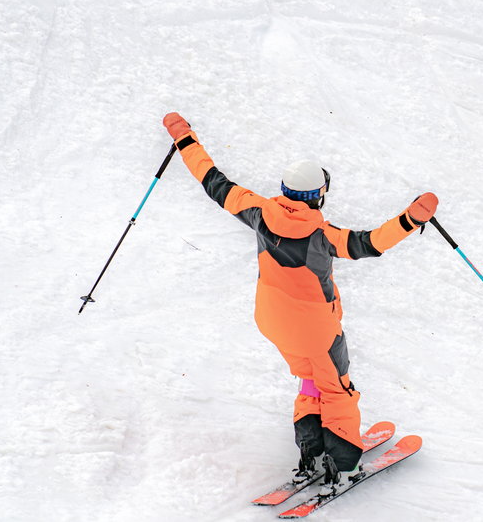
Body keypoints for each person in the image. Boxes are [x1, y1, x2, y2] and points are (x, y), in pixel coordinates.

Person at [161, 112, 438, 493]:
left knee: (310, 382)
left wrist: (184, 139)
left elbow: (213, 180)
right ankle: (342, 467)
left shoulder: (258, 211)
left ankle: (310, 457)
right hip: (315, 330)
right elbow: (369, 243)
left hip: (272, 322)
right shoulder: (324, 235)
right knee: (336, 388)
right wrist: (410, 219)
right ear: (318, 195)